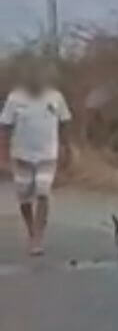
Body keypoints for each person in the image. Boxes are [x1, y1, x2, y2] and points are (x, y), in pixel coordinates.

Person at [0, 60, 74, 255]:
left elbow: (65, 123)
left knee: (43, 193)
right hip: (22, 155)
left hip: (47, 154)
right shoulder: (15, 98)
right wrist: (3, 154)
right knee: (24, 197)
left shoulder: (56, 97)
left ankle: (38, 236)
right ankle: (30, 228)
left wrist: (67, 148)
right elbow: (5, 127)